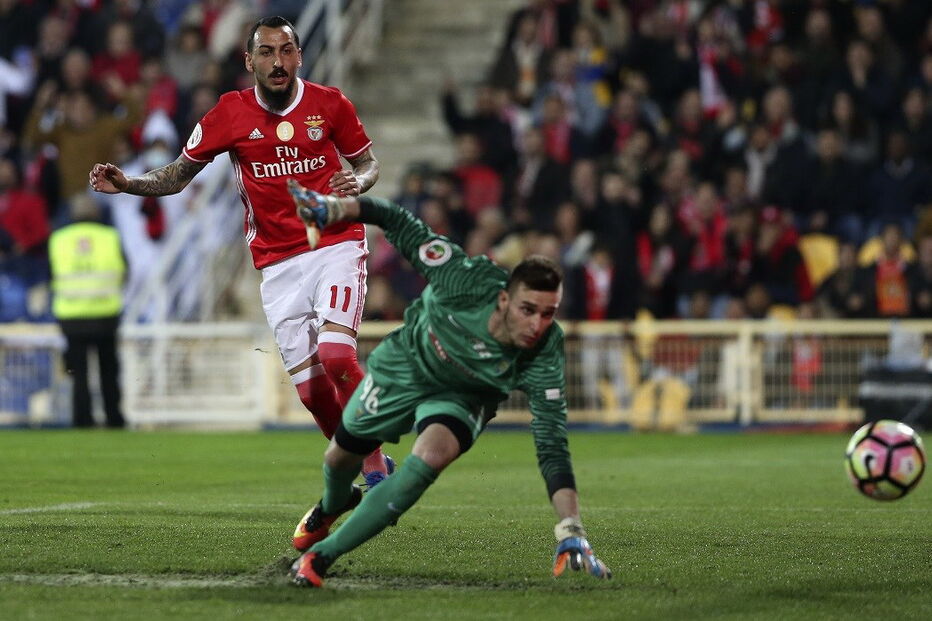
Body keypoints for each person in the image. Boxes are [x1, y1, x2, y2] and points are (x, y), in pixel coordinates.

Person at [87, 16, 392, 484]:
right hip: (276, 262)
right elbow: (177, 175)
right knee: (311, 391)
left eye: (287, 50)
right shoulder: (229, 113)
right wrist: (128, 184)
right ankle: (359, 457)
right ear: (249, 60)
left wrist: (358, 181)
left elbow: (367, 163)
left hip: (336, 243)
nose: (278, 62)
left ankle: (373, 469)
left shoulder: (330, 104)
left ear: (299, 55)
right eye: (267, 52)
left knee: (335, 353)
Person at [284, 182, 612, 588]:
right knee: (339, 458)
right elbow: (395, 219)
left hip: (464, 396)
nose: (537, 325)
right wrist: (334, 208)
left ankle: (319, 559)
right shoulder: (463, 278)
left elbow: (551, 444)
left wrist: (570, 528)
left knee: (430, 458)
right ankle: (333, 504)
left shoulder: (545, 351)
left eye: (549, 314)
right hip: (406, 366)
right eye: (529, 310)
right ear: (505, 300)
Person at [48, 194, 127, 429]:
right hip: (105, 314)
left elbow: (52, 275)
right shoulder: (110, 237)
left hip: (72, 316)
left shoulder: (58, 239)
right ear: (96, 213)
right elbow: (125, 271)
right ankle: (114, 418)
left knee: (79, 372)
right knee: (108, 369)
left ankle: (82, 420)